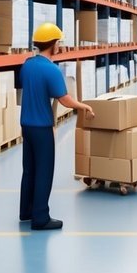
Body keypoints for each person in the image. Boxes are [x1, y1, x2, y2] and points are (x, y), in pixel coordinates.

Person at [19, 23, 95, 230]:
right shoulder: (51, 69)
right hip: (42, 126)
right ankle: (40, 217)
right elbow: (64, 100)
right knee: (44, 170)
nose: (60, 45)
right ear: (52, 44)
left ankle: (25, 211)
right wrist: (83, 106)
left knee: (29, 170)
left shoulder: (27, 65)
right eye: (59, 42)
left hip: (26, 125)